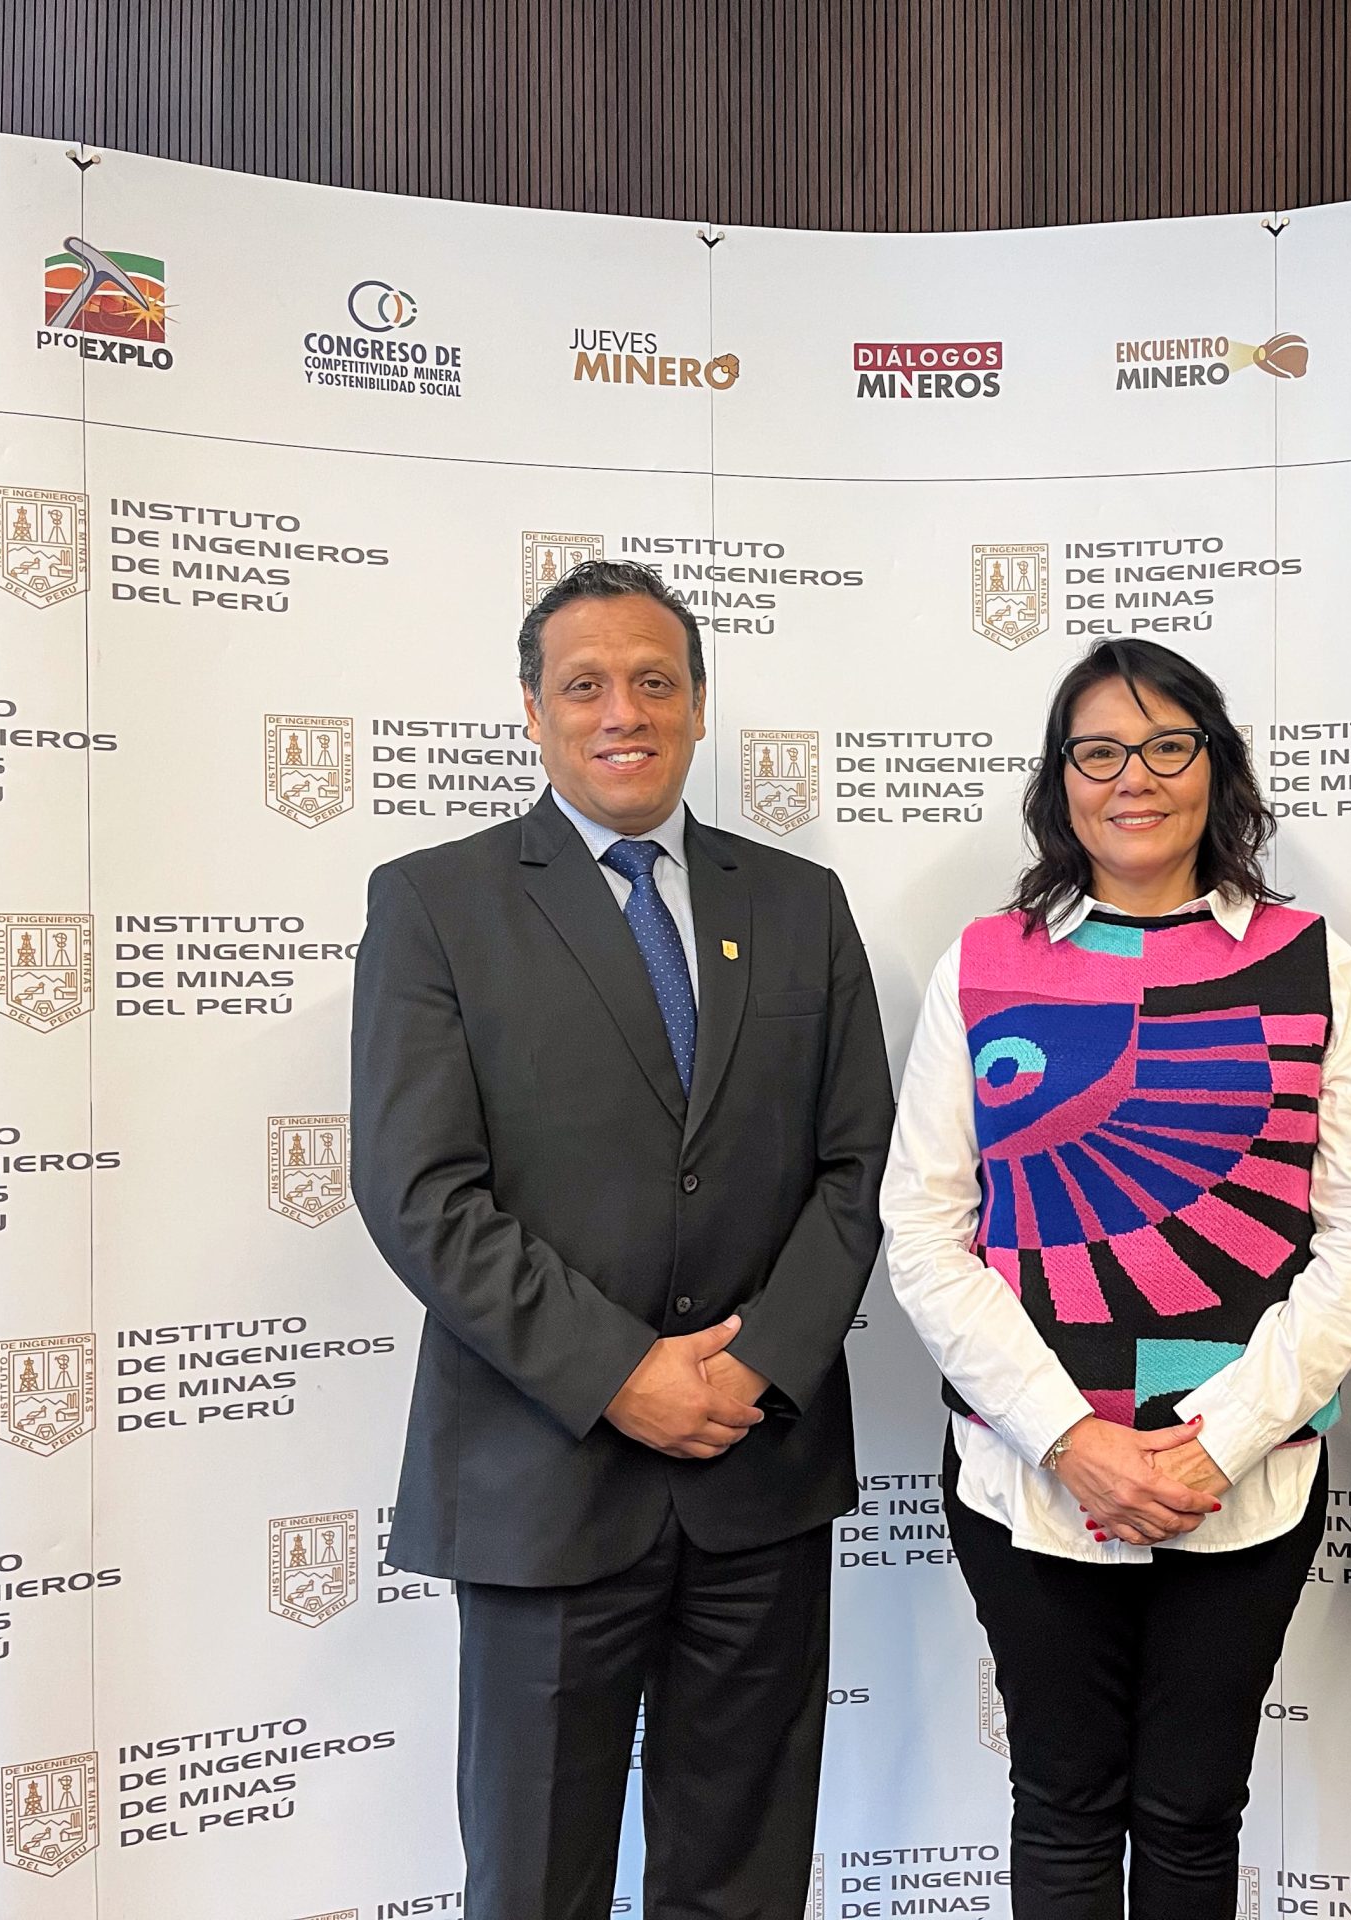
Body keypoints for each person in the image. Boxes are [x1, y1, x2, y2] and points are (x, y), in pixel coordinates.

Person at [351, 559, 894, 1920]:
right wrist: (621, 1375)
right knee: (536, 1883)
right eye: (584, 684)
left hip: (758, 1478)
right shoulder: (434, 904)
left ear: (699, 705)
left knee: (744, 1883)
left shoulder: (801, 904)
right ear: (532, 711)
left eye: (655, 681)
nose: (623, 711)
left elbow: (857, 1165)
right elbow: (420, 1190)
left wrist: (755, 1363)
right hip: (542, 1481)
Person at [881, 638, 1351, 1920]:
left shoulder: (1312, 961)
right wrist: (1071, 1438)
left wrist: (1216, 1442)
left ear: (1215, 766)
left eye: (1169, 745)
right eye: (1100, 751)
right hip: (1028, 1473)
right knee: (1062, 1807)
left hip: (1244, 1480)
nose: (1135, 777)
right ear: (1059, 778)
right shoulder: (984, 962)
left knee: (1190, 1814)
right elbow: (926, 1228)